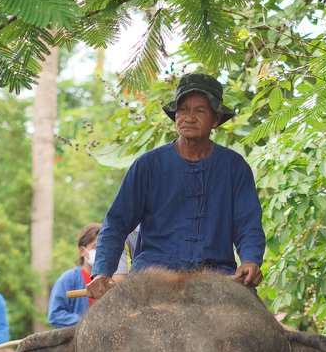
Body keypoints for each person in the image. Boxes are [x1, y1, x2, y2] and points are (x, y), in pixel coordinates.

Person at [90, 72, 264, 299]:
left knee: (260, 329)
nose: (189, 117)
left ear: (216, 119)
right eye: (183, 109)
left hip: (218, 277)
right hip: (152, 277)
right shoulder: (147, 165)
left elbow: (248, 225)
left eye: (200, 110)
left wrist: (250, 260)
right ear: (175, 116)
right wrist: (101, 272)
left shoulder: (235, 167)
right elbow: (116, 223)